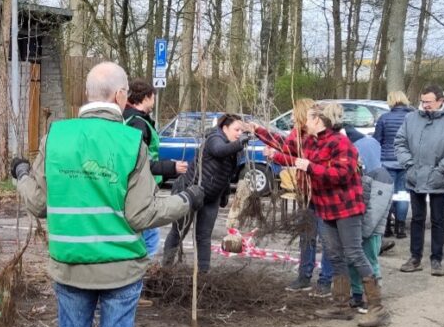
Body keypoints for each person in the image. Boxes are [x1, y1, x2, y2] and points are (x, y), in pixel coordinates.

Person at [12, 62, 204, 327]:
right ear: (120, 97)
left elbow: (38, 203)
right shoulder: (129, 141)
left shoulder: (56, 136)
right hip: (119, 270)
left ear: (87, 93)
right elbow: (141, 213)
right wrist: (187, 200)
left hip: (70, 267)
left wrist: (22, 173)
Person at [273, 102, 388, 327]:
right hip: (325, 208)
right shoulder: (311, 142)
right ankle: (341, 305)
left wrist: (309, 167)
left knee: (354, 253)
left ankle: (377, 307)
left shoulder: (340, 142)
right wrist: (270, 150)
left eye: (306, 119)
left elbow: (342, 174)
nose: (302, 123)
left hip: (346, 207)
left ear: (318, 120)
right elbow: (291, 155)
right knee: (335, 256)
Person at [251, 100, 334, 294]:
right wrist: (260, 132)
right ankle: (304, 276)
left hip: (324, 195)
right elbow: (285, 147)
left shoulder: (321, 138)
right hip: (306, 193)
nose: (290, 118)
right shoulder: (298, 133)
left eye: (293, 114)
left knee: (328, 239)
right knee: (306, 235)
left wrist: (275, 153)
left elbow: (295, 157)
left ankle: (326, 281)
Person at [393, 84, 444, 276]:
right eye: (422, 101)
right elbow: (400, 142)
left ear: (440, 101)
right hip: (415, 176)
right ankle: (415, 257)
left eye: (429, 102)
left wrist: (443, 167)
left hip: (439, 178)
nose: (425, 105)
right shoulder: (411, 118)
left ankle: (436, 259)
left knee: (438, 220)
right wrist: (408, 164)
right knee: (417, 219)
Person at [161, 113, 251, 274]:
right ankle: (165, 268)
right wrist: (240, 143)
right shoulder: (214, 139)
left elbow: (226, 173)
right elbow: (219, 150)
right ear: (224, 128)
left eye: (241, 131)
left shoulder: (234, 148)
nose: (239, 133)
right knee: (178, 231)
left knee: (204, 236)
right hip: (189, 192)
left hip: (211, 198)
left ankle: (203, 273)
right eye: (236, 129)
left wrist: (224, 194)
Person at [122, 78, 188, 258]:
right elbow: (140, 163)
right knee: (150, 234)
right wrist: (172, 167)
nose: (154, 102)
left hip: (139, 183)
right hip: (141, 185)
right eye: (153, 98)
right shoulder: (138, 124)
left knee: (140, 231)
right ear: (145, 98)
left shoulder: (132, 119)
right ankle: (144, 273)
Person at [344, 124, 393, 310]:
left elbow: (376, 211)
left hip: (370, 232)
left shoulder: (381, 176)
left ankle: (371, 297)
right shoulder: (364, 174)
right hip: (359, 229)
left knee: (369, 261)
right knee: (353, 263)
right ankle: (357, 295)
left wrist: (362, 232)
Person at [373, 91, 413, 240]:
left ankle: (387, 226)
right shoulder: (412, 118)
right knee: (403, 194)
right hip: (406, 161)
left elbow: (377, 140)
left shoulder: (384, 118)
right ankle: (400, 227)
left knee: (387, 194)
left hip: (387, 160)